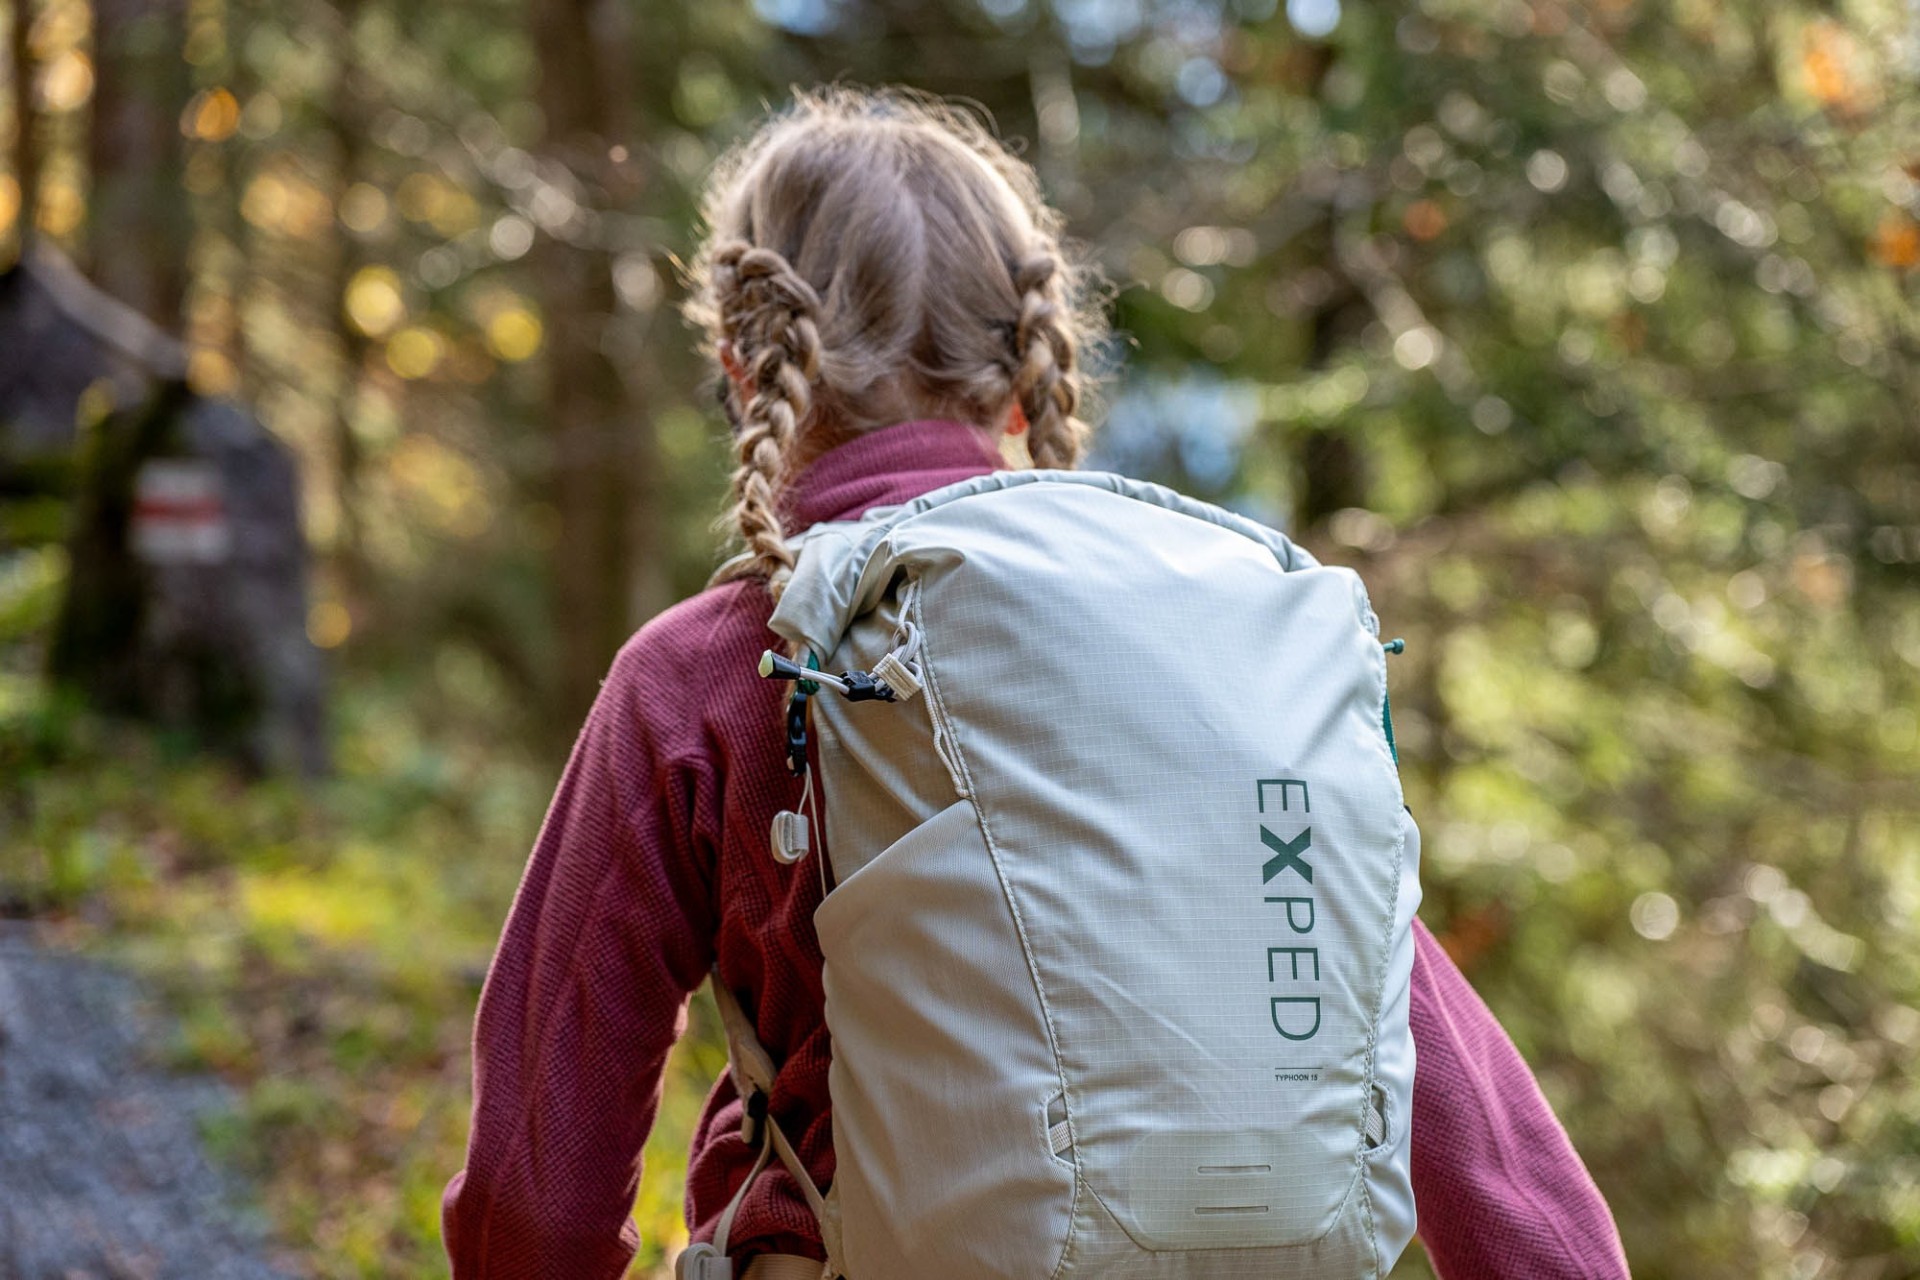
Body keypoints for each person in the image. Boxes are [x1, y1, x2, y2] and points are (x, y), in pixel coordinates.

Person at [442, 87, 1629, 1280]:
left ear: (744, 368)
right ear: (1024, 375)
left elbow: (535, 1190)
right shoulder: (1206, 649)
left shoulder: (711, 668)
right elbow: (1447, 1085)